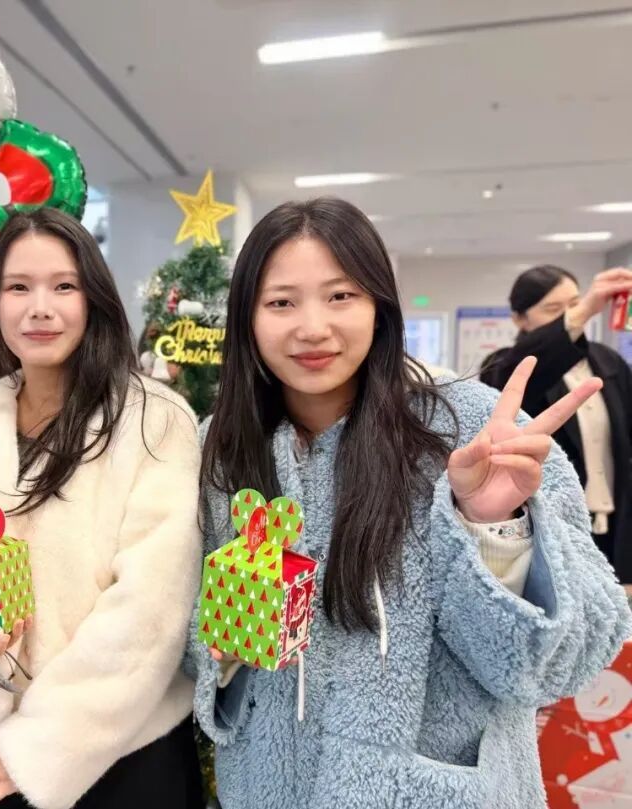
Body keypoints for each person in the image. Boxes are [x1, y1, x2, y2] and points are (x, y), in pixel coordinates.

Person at [189, 198, 631, 808]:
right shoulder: (221, 449)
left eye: (340, 296)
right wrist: (227, 654)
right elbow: (193, 635)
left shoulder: (472, 428)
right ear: (247, 318)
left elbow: (569, 658)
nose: (312, 327)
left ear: (380, 305)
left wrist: (492, 527)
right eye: (281, 302)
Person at [0, 208, 204, 809]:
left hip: (125, 751)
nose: (39, 308)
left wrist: (37, 748)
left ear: (93, 298)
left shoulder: (155, 419)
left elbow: (150, 609)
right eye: (18, 288)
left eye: (64, 286)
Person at [480, 264, 632, 582]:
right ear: (519, 319)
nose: (571, 314)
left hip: (616, 519)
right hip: (550, 520)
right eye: (553, 309)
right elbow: (516, 375)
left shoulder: (608, 361)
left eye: (575, 303)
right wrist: (582, 311)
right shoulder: (505, 366)